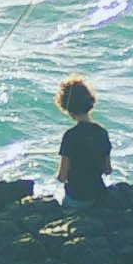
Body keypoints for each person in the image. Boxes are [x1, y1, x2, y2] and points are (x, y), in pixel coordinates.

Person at [52, 76, 111, 206]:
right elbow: (107, 170)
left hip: (77, 198)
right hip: (98, 196)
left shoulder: (70, 136)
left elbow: (62, 177)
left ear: (66, 106)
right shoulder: (102, 132)